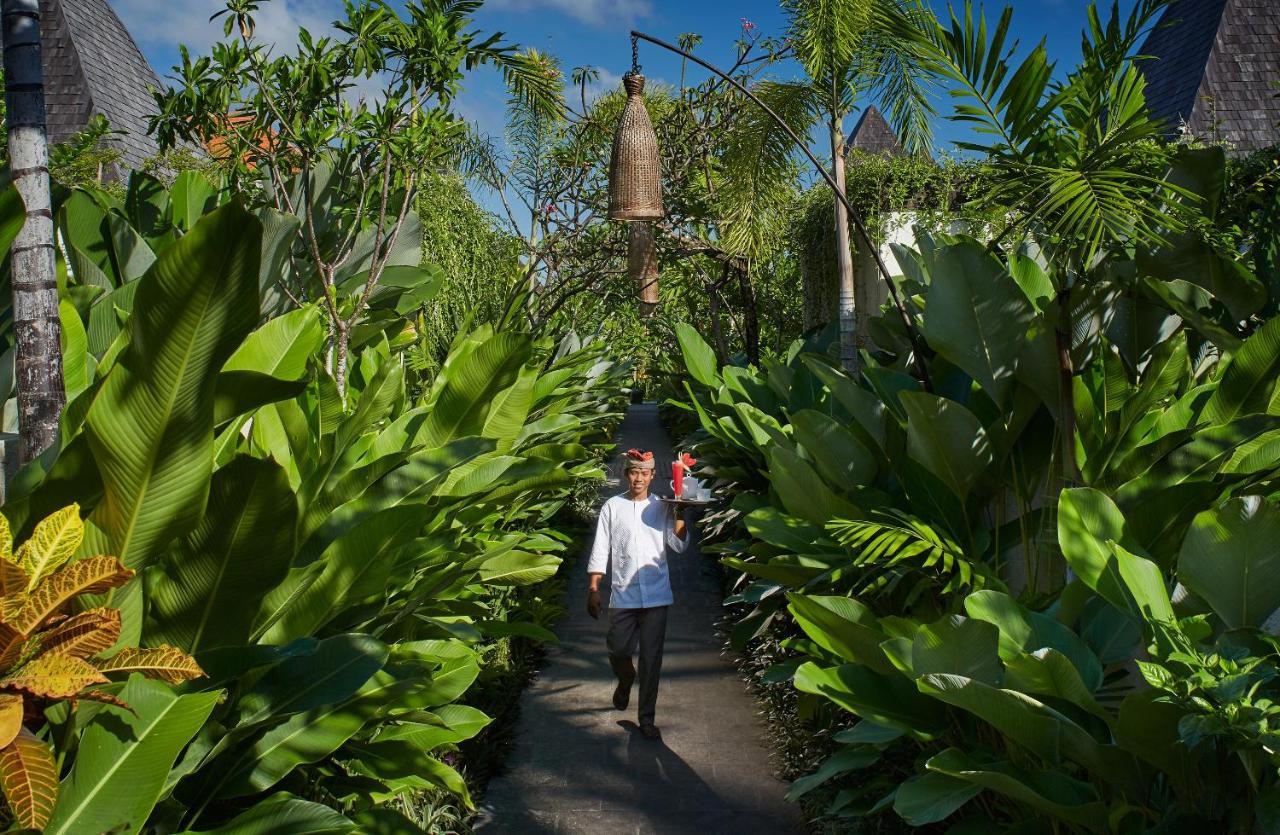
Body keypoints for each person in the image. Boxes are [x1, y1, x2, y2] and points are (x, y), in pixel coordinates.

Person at [586, 448, 689, 740]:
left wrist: (680, 512)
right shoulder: (612, 507)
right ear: (625, 474)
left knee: (651, 659)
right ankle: (625, 678)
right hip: (623, 595)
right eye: (634, 472)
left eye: (644, 473)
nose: (639, 478)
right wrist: (593, 588)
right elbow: (600, 548)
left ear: (653, 476)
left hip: (657, 595)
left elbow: (678, 544)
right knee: (618, 650)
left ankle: (647, 719)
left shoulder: (663, 505)